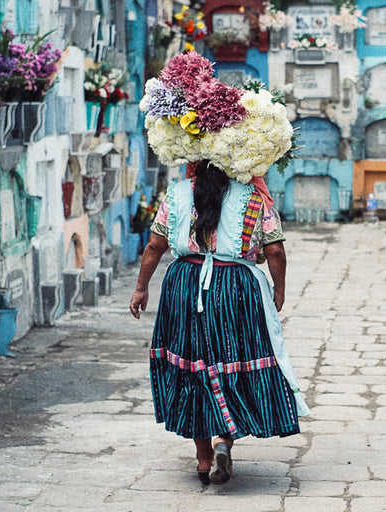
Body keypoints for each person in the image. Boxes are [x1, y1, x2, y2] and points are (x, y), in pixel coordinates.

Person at [129, 52, 309, 487]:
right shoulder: (253, 197)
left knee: (190, 365)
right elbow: (277, 250)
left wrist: (140, 289)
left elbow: (154, 245)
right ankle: (228, 435)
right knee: (232, 360)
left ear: (192, 163)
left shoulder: (176, 195)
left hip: (184, 285)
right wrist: (278, 290)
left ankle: (203, 458)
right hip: (236, 288)